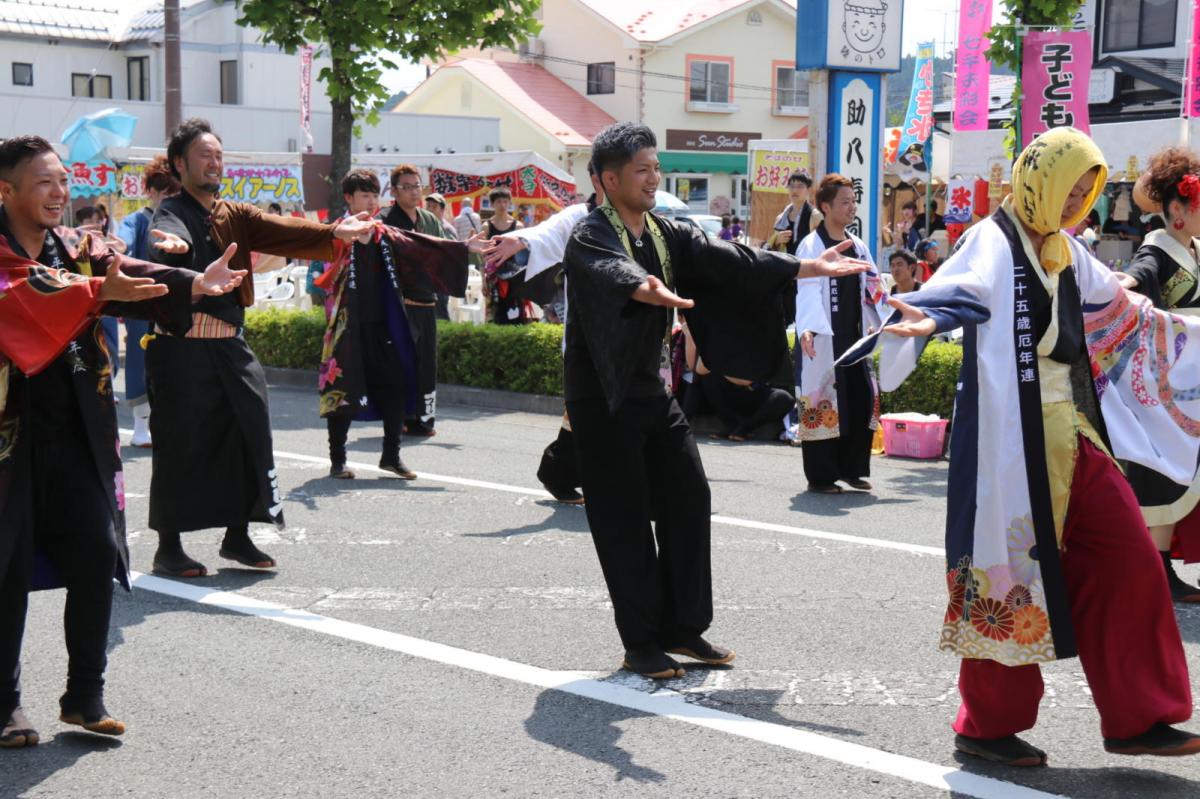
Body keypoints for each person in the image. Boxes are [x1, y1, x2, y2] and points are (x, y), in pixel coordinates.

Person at [846, 127, 1200, 765]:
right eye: (1072, 187)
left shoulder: (1067, 248)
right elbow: (962, 289)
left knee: (1129, 558)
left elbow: (1117, 306)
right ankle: (985, 726)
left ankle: (1139, 716)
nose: (1077, 202)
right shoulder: (993, 238)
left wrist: (1178, 327)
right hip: (1009, 435)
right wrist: (927, 317)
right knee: (1006, 573)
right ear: (1040, 179)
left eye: (1087, 190)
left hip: (1074, 432)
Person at [562, 122, 869, 680]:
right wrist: (643, 286)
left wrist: (805, 268)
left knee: (688, 495)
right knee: (623, 515)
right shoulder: (590, 233)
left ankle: (682, 626)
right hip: (602, 397)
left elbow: (733, 259)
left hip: (654, 391)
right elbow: (607, 270)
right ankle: (640, 640)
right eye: (642, 169)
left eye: (656, 167)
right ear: (609, 179)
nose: (654, 177)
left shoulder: (666, 232)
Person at [0, 135, 245, 748]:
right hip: (7, 441)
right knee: (3, 569)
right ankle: (4, 705)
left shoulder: (78, 247)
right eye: (43, 183)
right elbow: (24, 295)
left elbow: (128, 271)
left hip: (76, 431)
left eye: (63, 181)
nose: (59, 193)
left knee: (94, 553)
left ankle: (84, 696)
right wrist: (98, 292)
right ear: (5, 191)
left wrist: (194, 282)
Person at [145, 118, 374, 578]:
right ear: (179, 163)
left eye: (218, 155)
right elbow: (169, 244)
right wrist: (175, 248)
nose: (214, 162)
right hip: (182, 350)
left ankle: (237, 535)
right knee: (180, 442)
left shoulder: (235, 214)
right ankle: (168, 545)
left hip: (231, 346)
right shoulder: (169, 212)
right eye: (204, 155)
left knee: (248, 432)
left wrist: (334, 234)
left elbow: (282, 229)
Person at [318, 170, 470, 481]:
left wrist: (464, 249)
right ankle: (338, 460)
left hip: (382, 324)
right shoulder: (336, 232)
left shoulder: (382, 232)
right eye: (364, 195)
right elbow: (325, 276)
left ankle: (391, 456)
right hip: (349, 326)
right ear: (349, 198)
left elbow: (421, 245)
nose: (371, 201)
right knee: (344, 391)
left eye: (374, 195)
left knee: (396, 386)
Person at [482, 167, 603, 505]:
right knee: (589, 411)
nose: (648, 178)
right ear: (601, 179)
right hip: (587, 334)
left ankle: (559, 471)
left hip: (633, 335)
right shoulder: (580, 216)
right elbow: (548, 233)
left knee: (592, 414)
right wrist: (521, 239)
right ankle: (570, 474)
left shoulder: (640, 217)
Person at [1121, 148, 1200, 602]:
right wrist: (1122, 284)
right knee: (1166, 470)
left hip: (1194, 378)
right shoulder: (1157, 248)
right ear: (1176, 211)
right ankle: (1158, 569)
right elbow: (1140, 274)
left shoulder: (1194, 248)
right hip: (1170, 381)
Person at [793, 174, 889, 494]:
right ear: (825, 206)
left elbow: (875, 286)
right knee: (823, 404)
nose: (852, 207)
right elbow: (805, 291)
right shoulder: (812, 245)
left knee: (860, 401)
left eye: (853, 200)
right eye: (844, 202)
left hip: (854, 340)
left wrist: (891, 318)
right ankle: (820, 476)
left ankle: (852, 468)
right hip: (822, 339)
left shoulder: (857, 245)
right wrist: (806, 329)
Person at [116, 155, 180, 448]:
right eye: (164, 190)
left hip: (174, 301)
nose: (168, 197)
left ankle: (168, 420)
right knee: (139, 358)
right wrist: (116, 245)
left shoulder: (180, 221)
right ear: (150, 191)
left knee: (175, 359)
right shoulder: (136, 220)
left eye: (173, 191)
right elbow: (123, 240)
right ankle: (141, 425)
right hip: (141, 302)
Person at [382, 164, 448, 437]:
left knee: (427, 364)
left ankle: (425, 419)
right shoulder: (386, 220)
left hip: (427, 300)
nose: (413, 192)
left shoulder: (430, 219)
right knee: (400, 363)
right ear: (395, 191)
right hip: (400, 303)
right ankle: (401, 417)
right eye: (407, 187)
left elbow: (443, 252)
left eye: (417, 186)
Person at [767, 172, 823, 329]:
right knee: (784, 319)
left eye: (800, 186)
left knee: (804, 319)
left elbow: (820, 247)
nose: (795, 190)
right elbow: (769, 248)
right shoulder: (781, 217)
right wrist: (777, 240)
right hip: (784, 275)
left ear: (808, 190)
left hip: (806, 274)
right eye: (791, 186)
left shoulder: (815, 216)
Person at [483, 187, 529, 325]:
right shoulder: (486, 227)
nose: (502, 205)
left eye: (505, 201)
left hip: (515, 276)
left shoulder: (518, 226)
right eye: (498, 202)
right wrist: (483, 279)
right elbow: (483, 255)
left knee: (517, 311)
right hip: (494, 276)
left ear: (509, 203)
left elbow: (524, 255)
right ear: (492, 204)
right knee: (495, 313)